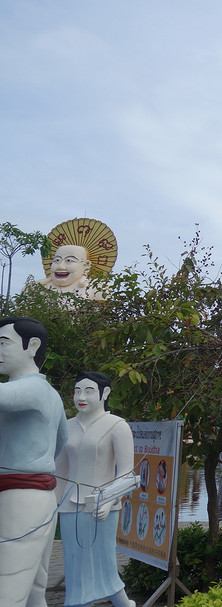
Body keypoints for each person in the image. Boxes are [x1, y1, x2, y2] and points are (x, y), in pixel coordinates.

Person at [0, 317, 68, 607]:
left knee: (8, 590)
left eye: (3, 343)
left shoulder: (32, 389)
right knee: (33, 592)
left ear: (33, 346)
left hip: (20, 498)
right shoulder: (49, 393)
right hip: (34, 495)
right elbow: (62, 441)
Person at [54, 371, 136, 607]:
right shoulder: (67, 426)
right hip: (69, 506)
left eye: (89, 391)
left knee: (103, 561)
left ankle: (119, 601)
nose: (81, 396)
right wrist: (52, 504)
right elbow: (60, 472)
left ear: (105, 393)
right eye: (77, 390)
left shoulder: (117, 426)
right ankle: (78, 601)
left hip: (102, 508)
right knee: (74, 561)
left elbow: (126, 473)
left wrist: (108, 501)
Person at [36, 245, 105, 301]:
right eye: (57, 260)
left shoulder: (98, 288)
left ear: (86, 266)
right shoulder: (35, 288)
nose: (61, 266)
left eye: (69, 260)